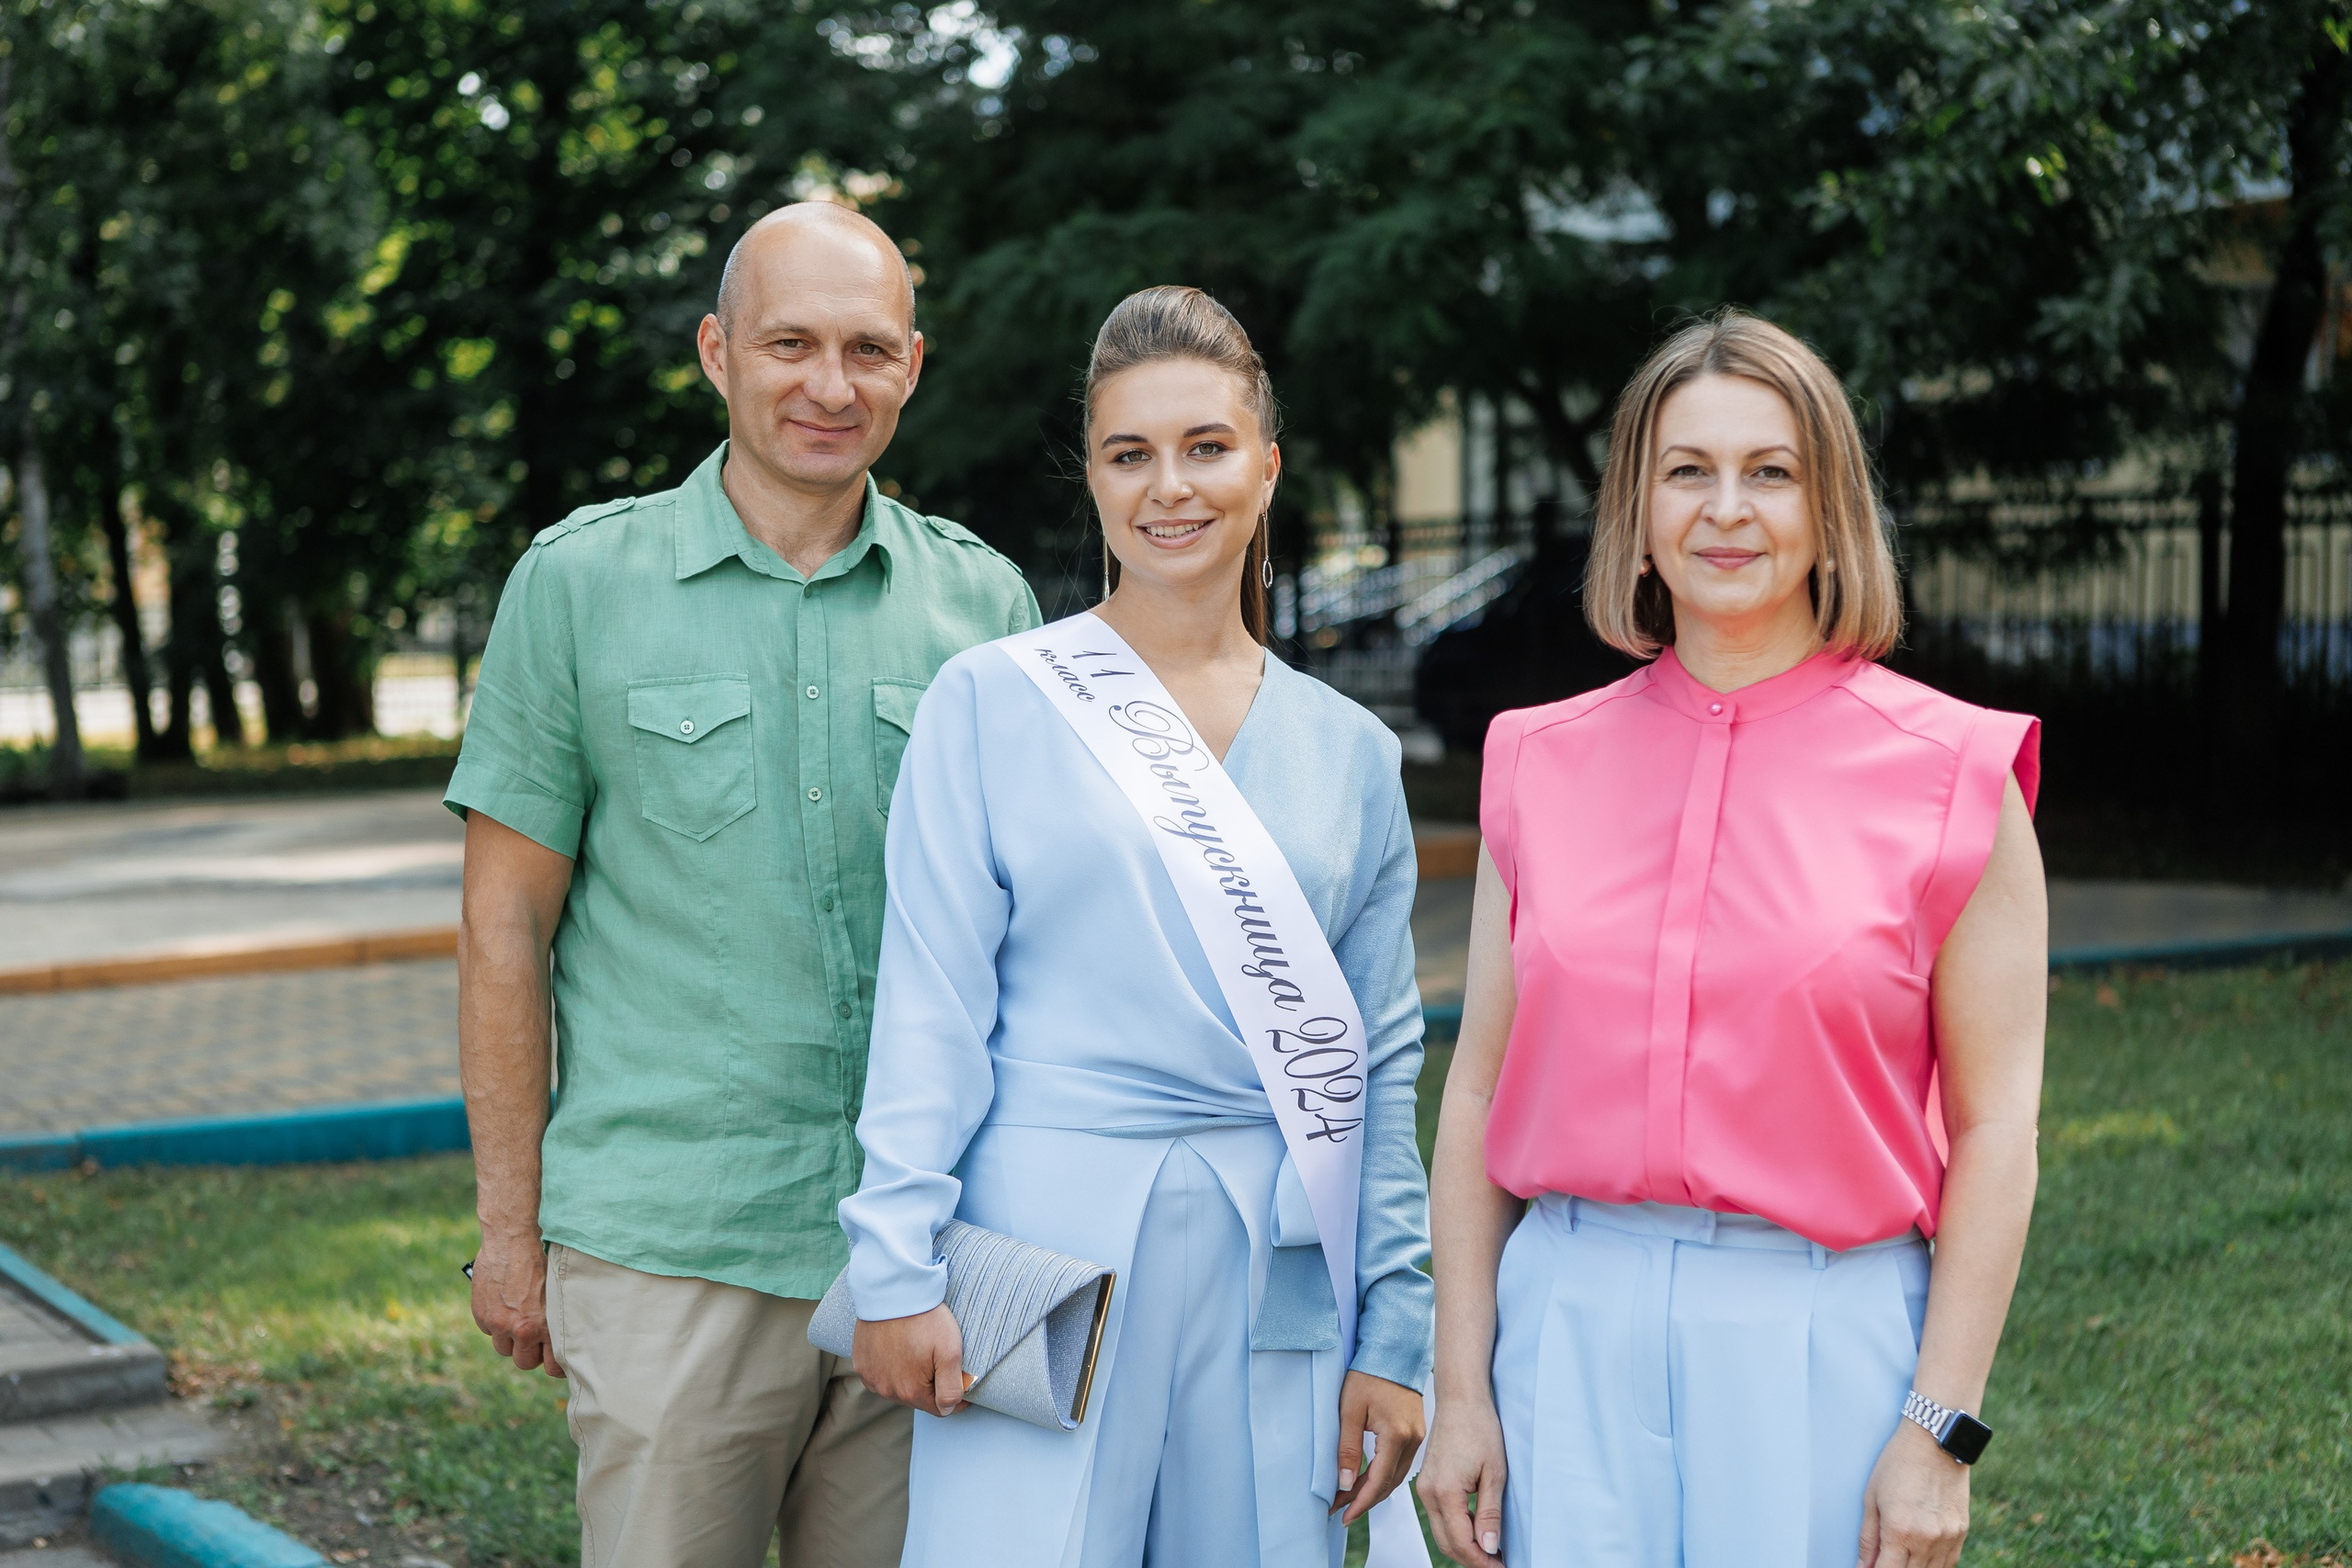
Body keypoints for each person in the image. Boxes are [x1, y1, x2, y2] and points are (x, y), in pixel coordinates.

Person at [447, 201, 1041, 1568]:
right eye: (790, 344)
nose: (831, 387)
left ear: (912, 366)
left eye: (868, 351)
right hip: (672, 1253)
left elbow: (1036, 945)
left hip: (924, 1251)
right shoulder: (579, 586)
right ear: (718, 353)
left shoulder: (986, 608)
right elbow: (502, 934)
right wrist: (506, 1234)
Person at [1417, 311, 2047, 1568]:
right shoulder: (1537, 762)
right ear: (1638, 510)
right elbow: (1477, 1089)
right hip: (1570, 1323)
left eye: (1772, 471)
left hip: (1824, 1334)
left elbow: (1996, 1132)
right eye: (1687, 471)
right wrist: (1465, 1390)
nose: (1727, 510)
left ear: (1830, 507)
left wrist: (1939, 1432)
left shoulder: (1955, 773)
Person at [835, 286, 1434, 1566]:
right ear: (1094, 480)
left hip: (1275, 1243)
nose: (1173, 487)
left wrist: (1394, 1333)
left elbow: (1378, 1069)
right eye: (1131, 454)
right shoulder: (989, 703)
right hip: (1043, 1238)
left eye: (1207, 447)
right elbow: (931, 1005)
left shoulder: (1353, 753)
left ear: (1265, 468)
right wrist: (892, 1266)